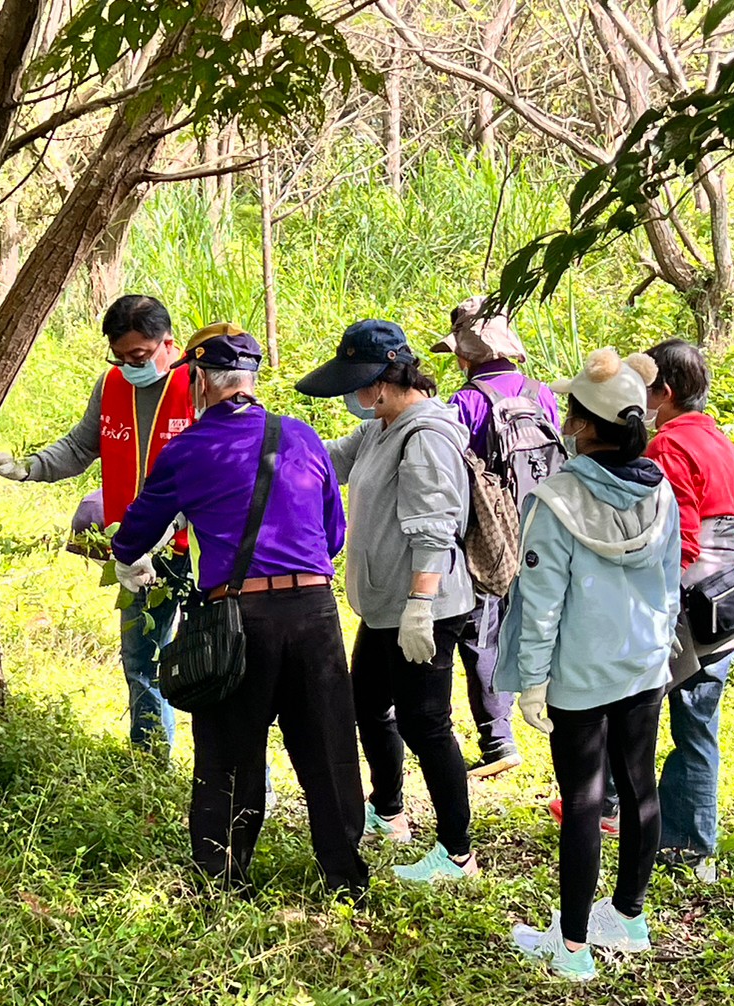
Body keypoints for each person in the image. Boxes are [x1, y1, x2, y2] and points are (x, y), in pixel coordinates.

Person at [110, 324, 368, 897]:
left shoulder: (188, 449)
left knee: (229, 750)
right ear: (251, 379)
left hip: (238, 617)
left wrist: (131, 561)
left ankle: (223, 875)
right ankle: (345, 878)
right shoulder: (302, 437)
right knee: (328, 746)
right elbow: (333, 535)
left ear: (200, 380)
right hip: (314, 611)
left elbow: (134, 535)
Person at [497, 348, 681, 981]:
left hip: (579, 672)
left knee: (581, 801)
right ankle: (627, 917)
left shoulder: (556, 499)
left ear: (580, 424)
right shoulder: (659, 489)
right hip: (644, 665)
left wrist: (531, 680)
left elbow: (541, 602)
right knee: (638, 787)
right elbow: (669, 582)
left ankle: (572, 948)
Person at [297, 319, 479, 884]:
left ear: (385, 378)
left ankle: (456, 853)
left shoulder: (424, 437)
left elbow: (435, 530)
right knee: (368, 705)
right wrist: (268, 449)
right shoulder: (383, 424)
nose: (353, 395)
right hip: (385, 607)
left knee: (427, 724)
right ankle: (390, 810)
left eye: (358, 383)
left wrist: (421, 608)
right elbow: (329, 460)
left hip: (424, 609)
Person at [0, 295, 194, 755]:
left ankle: (238, 780)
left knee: (214, 659)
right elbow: (79, 446)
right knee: (141, 660)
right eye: (120, 357)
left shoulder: (199, 383)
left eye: (138, 356)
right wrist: (24, 468)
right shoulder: (112, 384)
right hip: (133, 553)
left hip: (196, 549)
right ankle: (150, 766)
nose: (129, 366)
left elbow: (229, 467)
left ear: (167, 343)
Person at [432, 296, 562, 778]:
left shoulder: (464, 403)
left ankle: (498, 740)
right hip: (543, 526)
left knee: (480, 633)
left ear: (465, 355)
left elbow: (449, 471)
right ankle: (555, 722)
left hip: (487, 531)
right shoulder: (541, 393)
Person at [644, 338, 734, 885]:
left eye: (645, 388)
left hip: (686, 612)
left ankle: (672, 841)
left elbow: (677, 541)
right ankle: (691, 845)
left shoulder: (668, 447)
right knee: (699, 726)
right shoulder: (722, 443)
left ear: (664, 391)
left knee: (638, 719)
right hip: (728, 603)